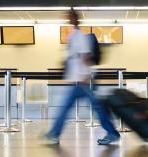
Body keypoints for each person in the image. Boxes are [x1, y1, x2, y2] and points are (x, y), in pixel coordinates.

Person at [45, 9, 120, 145]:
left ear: (75, 18)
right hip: (78, 80)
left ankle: (112, 133)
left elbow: (86, 57)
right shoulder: (74, 35)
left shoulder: (79, 36)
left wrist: (87, 75)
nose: (68, 19)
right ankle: (54, 133)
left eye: (69, 17)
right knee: (83, 107)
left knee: (94, 107)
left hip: (82, 80)